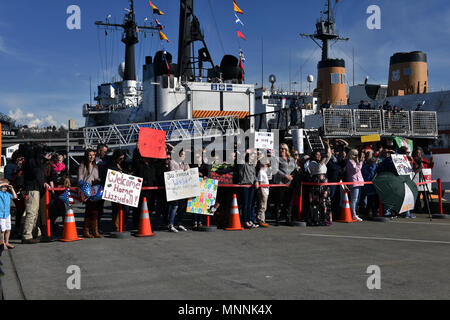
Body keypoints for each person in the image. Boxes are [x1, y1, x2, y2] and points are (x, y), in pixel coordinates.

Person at [22, 145, 49, 244]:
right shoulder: (33, 162)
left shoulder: (31, 161)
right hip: (32, 189)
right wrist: (44, 183)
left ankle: (34, 233)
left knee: (34, 213)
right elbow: (38, 173)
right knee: (32, 213)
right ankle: (27, 235)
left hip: (33, 189)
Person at [307, 140, 332, 226]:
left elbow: (329, 156)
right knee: (316, 203)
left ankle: (325, 219)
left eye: (319, 155)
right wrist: (324, 157)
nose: (318, 156)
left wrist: (327, 145)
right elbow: (318, 168)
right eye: (317, 155)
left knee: (325, 202)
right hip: (316, 185)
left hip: (324, 185)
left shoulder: (323, 162)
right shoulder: (312, 163)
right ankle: (315, 219)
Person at [78, 149, 102, 238]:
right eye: (90, 155)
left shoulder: (95, 166)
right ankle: (86, 230)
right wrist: (83, 190)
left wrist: (98, 180)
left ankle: (94, 230)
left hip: (94, 190)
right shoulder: (82, 165)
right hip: (86, 190)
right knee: (89, 210)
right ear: (86, 156)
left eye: (93, 155)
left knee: (94, 211)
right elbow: (80, 179)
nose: (92, 157)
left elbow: (97, 177)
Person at [272, 144, 296, 226]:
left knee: (288, 202)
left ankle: (288, 219)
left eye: (283, 148)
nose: (282, 150)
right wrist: (285, 175)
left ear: (286, 149)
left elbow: (295, 168)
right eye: (280, 149)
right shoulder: (276, 158)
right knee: (278, 202)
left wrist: (292, 176)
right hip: (280, 183)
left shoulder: (292, 159)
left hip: (290, 184)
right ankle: (277, 219)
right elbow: (275, 169)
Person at [108, 149, 130, 232]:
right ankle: (116, 226)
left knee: (126, 209)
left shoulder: (124, 165)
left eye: (123, 158)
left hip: (124, 191)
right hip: (115, 190)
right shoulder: (111, 165)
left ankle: (123, 224)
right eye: (120, 159)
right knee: (116, 209)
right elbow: (110, 175)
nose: (122, 160)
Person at [167, 149, 189, 233]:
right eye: (182, 154)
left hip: (183, 187)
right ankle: (171, 224)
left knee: (181, 206)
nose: (183, 156)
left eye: (184, 155)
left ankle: (179, 223)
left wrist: (187, 169)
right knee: (175, 206)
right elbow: (172, 172)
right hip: (175, 187)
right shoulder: (173, 162)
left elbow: (189, 172)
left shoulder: (184, 163)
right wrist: (183, 171)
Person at [236, 149, 260, 229]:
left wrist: (256, 181)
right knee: (245, 205)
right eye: (251, 156)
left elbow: (254, 175)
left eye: (253, 156)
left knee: (250, 205)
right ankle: (244, 221)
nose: (252, 157)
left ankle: (249, 220)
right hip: (244, 186)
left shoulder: (252, 165)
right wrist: (246, 152)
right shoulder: (243, 164)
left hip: (251, 186)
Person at [345, 149, 365, 222]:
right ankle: (353, 214)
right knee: (354, 199)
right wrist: (361, 162)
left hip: (358, 182)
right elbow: (355, 170)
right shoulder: (350, 162)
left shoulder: (354, 162)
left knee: (356, 199)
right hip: (354, 182)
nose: (357, 156)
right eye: (356, 154)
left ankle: (354, 213)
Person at [0, 179, 18, 250]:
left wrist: (12, 188)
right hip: (1, 215)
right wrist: (2, 184)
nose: (5, 188)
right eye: (4, 186)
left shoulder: (7, 194)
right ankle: (2, 243)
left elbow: (15, 197)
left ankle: (7, 242)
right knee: (2, 230)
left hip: (7, 214)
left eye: (6, 186)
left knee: (8, 229)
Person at [256, 159, 270, 228]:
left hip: (266, 191)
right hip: (263, 191)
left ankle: (262, 220)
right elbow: (260, 183)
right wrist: (262, 192)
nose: (267, 166)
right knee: (262, 206)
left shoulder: (264, 171)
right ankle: (260, 220)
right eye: (266, 164)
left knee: (264, 206)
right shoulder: (261, 172)